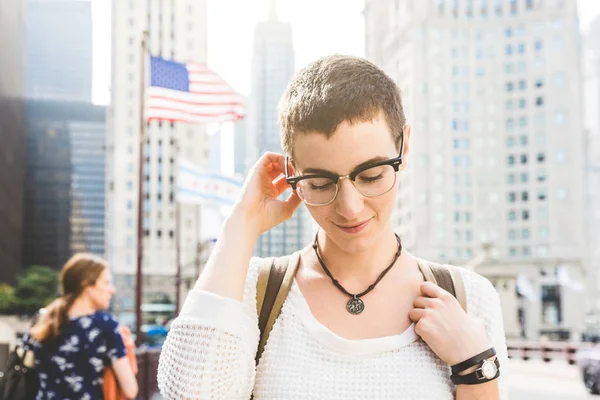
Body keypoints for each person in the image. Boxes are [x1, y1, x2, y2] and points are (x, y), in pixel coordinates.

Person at [158, 55, 509, 399]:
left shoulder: (468, 297)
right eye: (320, 183)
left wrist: (475, 366)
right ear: (292, 174)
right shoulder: (254, 290)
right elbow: (191, 393)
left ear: (404, 145)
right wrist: (241, 223)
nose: (350, 208)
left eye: (371, 176)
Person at [26, 253, 139, 400]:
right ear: (86, 285)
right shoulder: (105, 324)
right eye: (106, 283)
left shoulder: (44, 319)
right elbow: (130, 390)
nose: (112, 290)